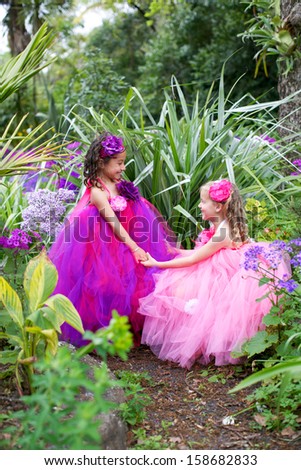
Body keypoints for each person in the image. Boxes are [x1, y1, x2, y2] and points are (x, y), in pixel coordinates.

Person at [138, 179, 291, 368]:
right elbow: (200, 253)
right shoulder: (222, 227)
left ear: (218, 207)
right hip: (221, 270)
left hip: (226, 275)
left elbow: (194, 260)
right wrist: (174, 252)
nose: (200, 206)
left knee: (186, 291)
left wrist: (159, 263)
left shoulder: (222, 233)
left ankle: (205, 343)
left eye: (203, 202)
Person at [49, 133, 176, 347]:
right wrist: (134, 247)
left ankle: (126, 328)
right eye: (119, 163)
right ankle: (101, 331)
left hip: (127, 238)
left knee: (130, 282)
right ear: (101, 162)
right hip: (102, 246)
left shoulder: (119, 184)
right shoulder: (98, 191)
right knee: (103, 284)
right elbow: (114, 225)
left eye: (123, 162)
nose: (123, 167)